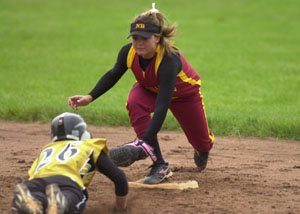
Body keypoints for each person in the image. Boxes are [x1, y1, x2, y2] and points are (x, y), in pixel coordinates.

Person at [68, 3, 214, 185]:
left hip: (184, 96)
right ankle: (159, 164)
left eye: (144, 39)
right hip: (150, 89)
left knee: (203, 143)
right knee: (135, 101)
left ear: (157, 38)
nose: (138, 43)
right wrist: (90, 97)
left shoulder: (169, 60)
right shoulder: (128, 52)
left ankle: (201, 149)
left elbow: (162, 108)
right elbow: (114, 74)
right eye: (135, 38)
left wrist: (144, 142)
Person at [11, 112, 128, 214]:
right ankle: (62, 201)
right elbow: (119, 177)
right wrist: (120, 209)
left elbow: (33, 174)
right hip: (67, 183)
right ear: (81, 131)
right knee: (70, 199)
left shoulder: (46, 149)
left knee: (37, 196)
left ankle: (33, 201)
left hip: (35, 182)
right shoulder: (89, 146)